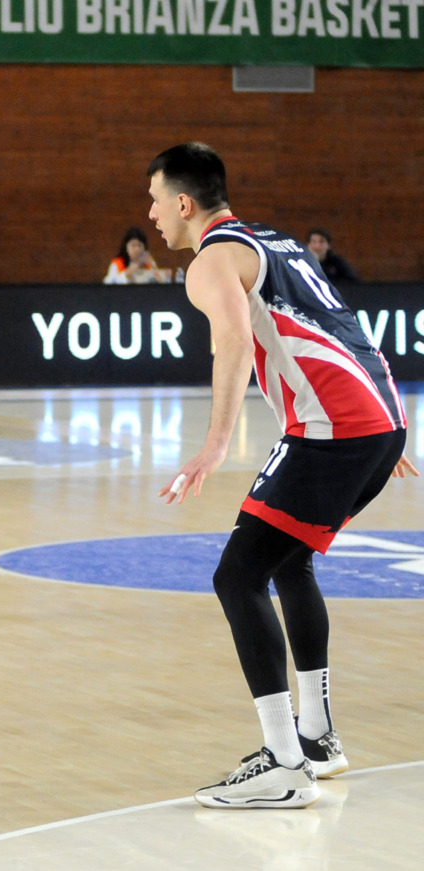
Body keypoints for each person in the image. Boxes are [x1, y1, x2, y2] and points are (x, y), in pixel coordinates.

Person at [147, 142, 416, 809]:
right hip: (378, 420)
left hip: (336, 429)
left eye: (155, 201)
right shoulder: (281, 243)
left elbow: (235, 342)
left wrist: (214, 444)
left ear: (184, 202)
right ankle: (316, 737)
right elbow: (346, 325)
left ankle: (284, 764)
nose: (151, 215)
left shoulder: (212, 261)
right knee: (289, 562)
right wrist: (386, 424)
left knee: (237, 577)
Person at [103, 226, 171, 284]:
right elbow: (108, 283)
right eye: (133, 245)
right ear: (126, 247)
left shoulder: (148, 263)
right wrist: (128, 272)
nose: (137, 249)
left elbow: (161, 282)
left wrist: (153, 267)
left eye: (140, 245)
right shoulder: (118, 263)